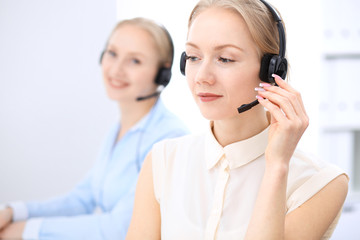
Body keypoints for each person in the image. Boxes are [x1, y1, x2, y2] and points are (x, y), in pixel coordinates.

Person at [125, 0, 349, 239]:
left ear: (271, 70)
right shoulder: (163, 160)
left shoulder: (320, 183)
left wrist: (276, 168)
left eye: (225, 59)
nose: (202, 77)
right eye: (193, 57)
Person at [0, 17, 189, 240]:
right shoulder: (117, 131)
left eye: (135, 61)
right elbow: (84, 198)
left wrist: (25, 231)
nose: (116, 69)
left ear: (162, 74)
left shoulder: (169, 139)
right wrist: (14, 211)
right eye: (112, 53)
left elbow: (121, 228)